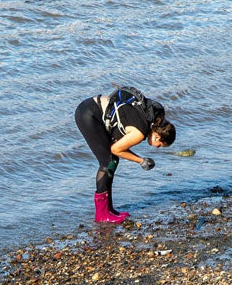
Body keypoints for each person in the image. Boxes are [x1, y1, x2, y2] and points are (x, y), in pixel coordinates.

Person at [74, 86, 176, 223]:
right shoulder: (139, 133)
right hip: (89, 114)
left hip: (91, 108)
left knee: (112, 161)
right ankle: (102, 215)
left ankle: (109, 210)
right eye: (160, 145)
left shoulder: (150, 119)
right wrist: (141, 161)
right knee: (108, 162)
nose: (157, 147)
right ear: (157, 137)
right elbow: (116, 149)